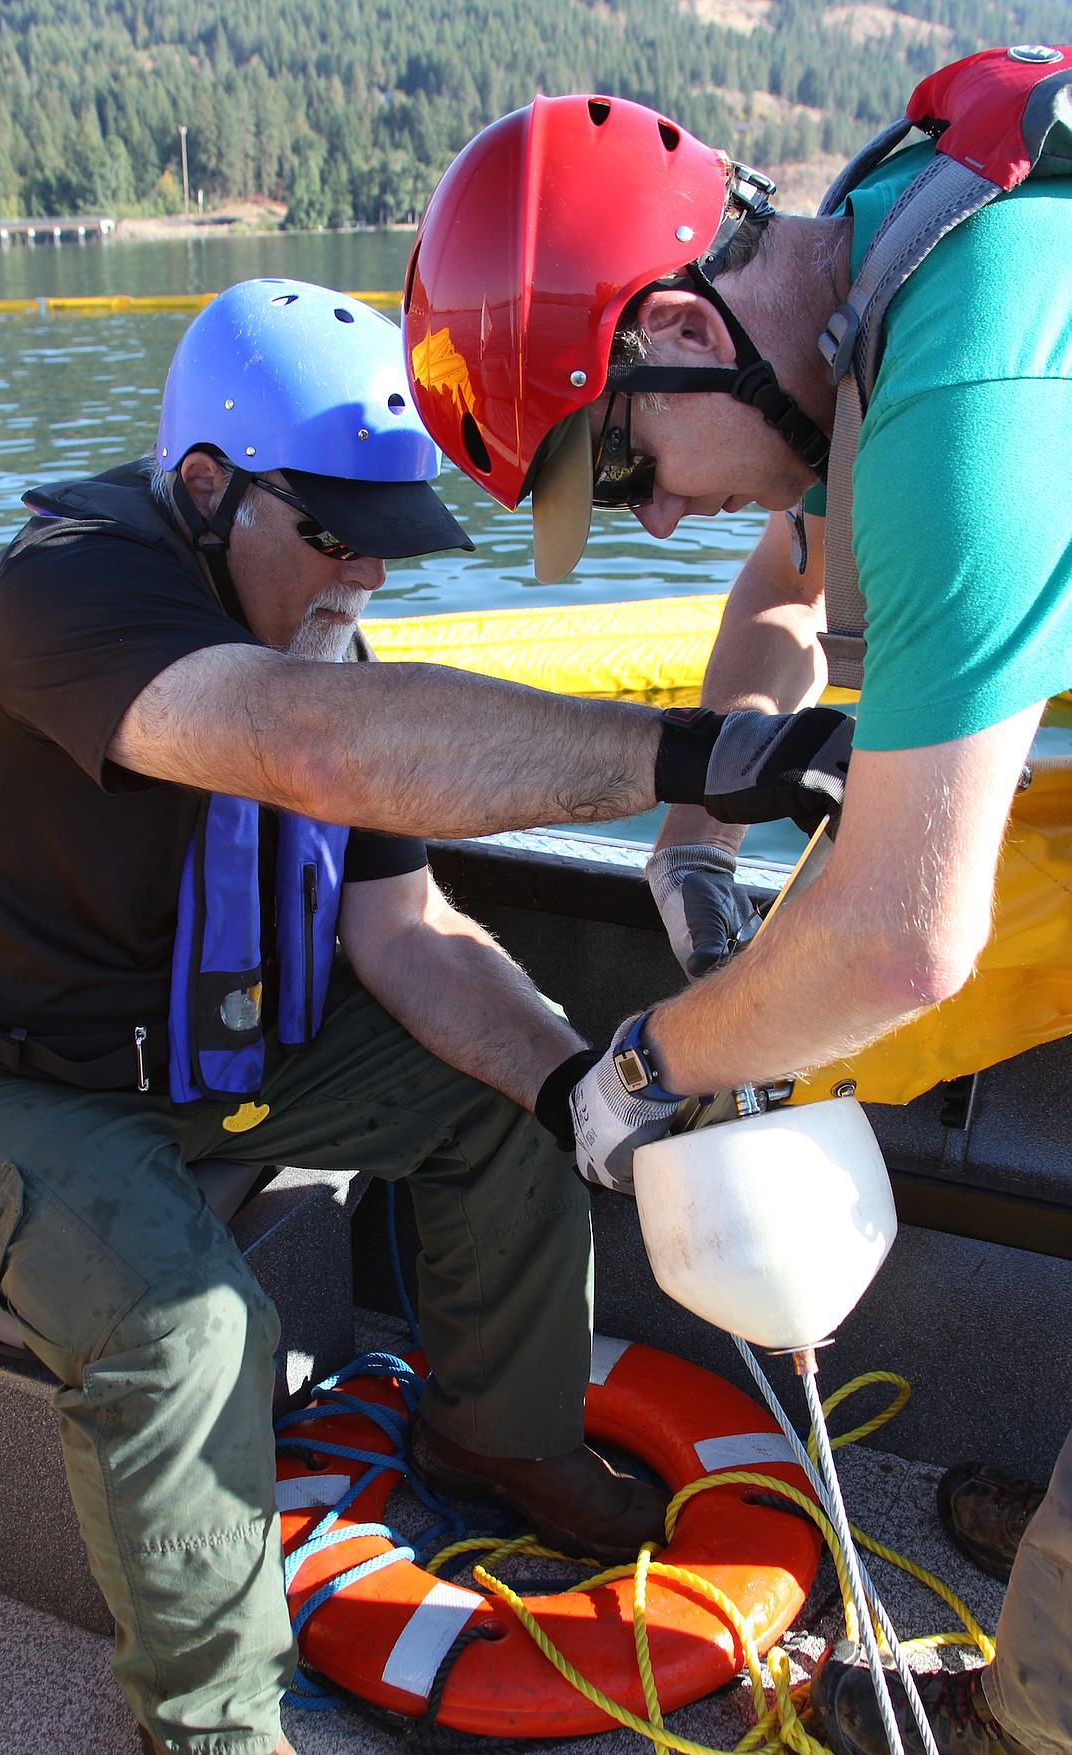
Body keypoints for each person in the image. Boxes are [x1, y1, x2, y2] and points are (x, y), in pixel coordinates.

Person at [0, 277, 849, 1755]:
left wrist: (570, 1091)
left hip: (226, 1046)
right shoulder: (65, 594)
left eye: (386, 546)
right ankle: (205, 1727)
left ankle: (497, 1436)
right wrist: (715, 756)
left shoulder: (314, 627)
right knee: (188, 1327)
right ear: (205, 491)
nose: (364, 583)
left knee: (511, 1097)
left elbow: (403, 929)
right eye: (335, 538)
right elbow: (314, 746)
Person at [402, 79, 1072, 1755]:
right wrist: (694, 834)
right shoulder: (896, 244)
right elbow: (791, 562)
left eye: (618, 455)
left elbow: (899, 940)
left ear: (690, 321)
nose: (646, 513)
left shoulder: (971, 390)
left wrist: (638, 1070)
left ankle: (1032, 1713)